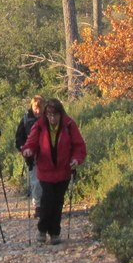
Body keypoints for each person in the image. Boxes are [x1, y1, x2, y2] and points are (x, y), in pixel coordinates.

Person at [20, 97, 86, 246]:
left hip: (64, 170)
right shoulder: (40, 125)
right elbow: (31, 142)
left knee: (58, 202)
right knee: (47, 200)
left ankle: (55, 232)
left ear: (60, 114)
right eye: (49, 115)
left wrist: (76, 159)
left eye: (54, 115)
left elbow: (79, 146)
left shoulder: (69, 125)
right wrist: (28, 150)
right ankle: (43, 230)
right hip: (45, 171)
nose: (51, 118)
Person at [14, 95, 44, 217]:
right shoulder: (26, 119)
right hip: (32, 156)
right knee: (36, 182)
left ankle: (45, 205)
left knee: (46, 181)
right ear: (32, 106)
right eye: (36, 108)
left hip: (46, 154)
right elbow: (19, 137)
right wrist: (23, 148)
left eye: (40, 108)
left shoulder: (49, 117)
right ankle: (38, 206)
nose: (37, 111)